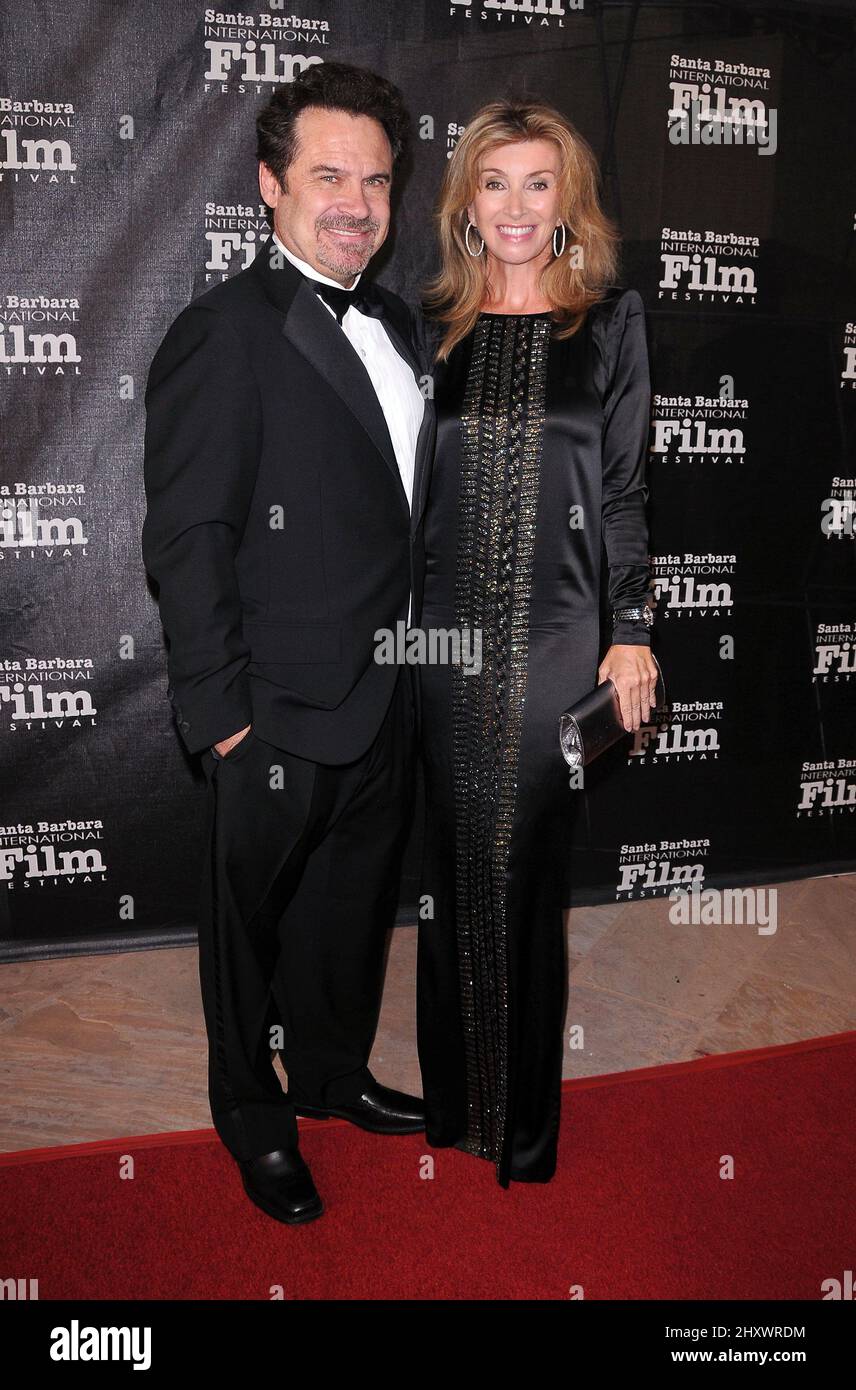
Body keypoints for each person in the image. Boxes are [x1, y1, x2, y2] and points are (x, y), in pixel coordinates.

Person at [142, 61, 436, 1225]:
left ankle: (328, 1074)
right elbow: (190, 533)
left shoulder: (404, 322)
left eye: (375, 179)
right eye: (328, 175)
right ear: (270, 186)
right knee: (247, 935)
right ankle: (253, 1119)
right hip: (270, 702)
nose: (356, 201)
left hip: (390, 695)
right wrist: (219, 710)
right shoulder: (223, 333)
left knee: (350, 915)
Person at [415, 98, 659, 1188]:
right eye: (495, 183)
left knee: (525, 875)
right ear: (467, 202)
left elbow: (621, 492)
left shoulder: (608, 322)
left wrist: (631, 630)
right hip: (441, 646)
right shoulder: (429, 327)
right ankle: (454, 1109)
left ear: (569, 202)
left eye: (538, 183)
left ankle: (521, 1132)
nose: (515, 206)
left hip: (560, 641)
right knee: (454, 869)